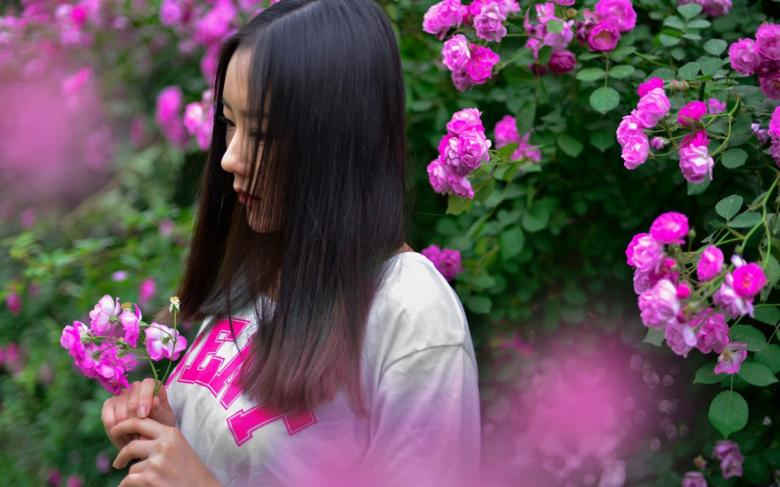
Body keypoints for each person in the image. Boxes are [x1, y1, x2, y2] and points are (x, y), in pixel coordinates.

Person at [100, 0, 481, 485]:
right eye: (230, 123)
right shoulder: (254, 278)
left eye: (261, 132)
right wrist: (170, 433)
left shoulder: (410, 312)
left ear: (338, 140)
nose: (230, 158)